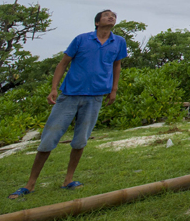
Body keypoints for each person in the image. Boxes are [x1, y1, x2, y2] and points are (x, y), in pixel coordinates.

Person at [8, 10, 127, 199]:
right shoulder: (81, 39)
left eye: (114, 16)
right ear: (97, 22)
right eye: (106, 15)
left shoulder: (119, 42)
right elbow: (63, 63)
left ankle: (68, 180)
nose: (111, 17)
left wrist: (114, 90)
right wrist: (54, 88)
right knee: (49, 138)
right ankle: (30, 184)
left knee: (81, 140)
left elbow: (117, 65)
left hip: (95, 96)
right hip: (70, 94)